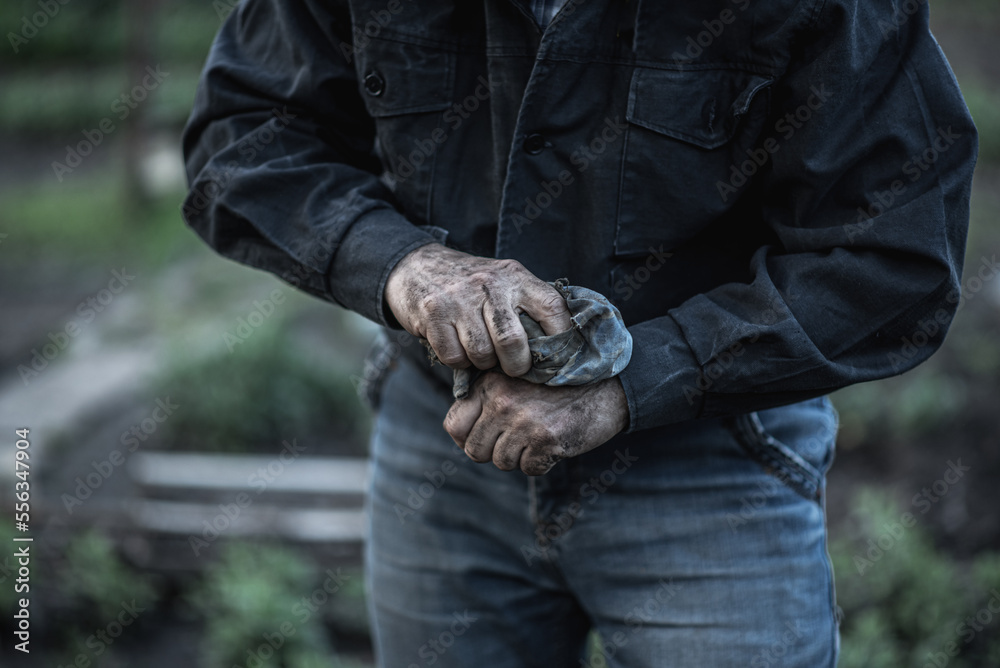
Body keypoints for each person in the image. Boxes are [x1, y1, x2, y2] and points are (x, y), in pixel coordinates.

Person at [182, 0, 977, 665]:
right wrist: (409, 269)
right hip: (443, 447)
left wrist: (633, 383)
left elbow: (891, 250)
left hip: (710, 459)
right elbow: (247, 133)